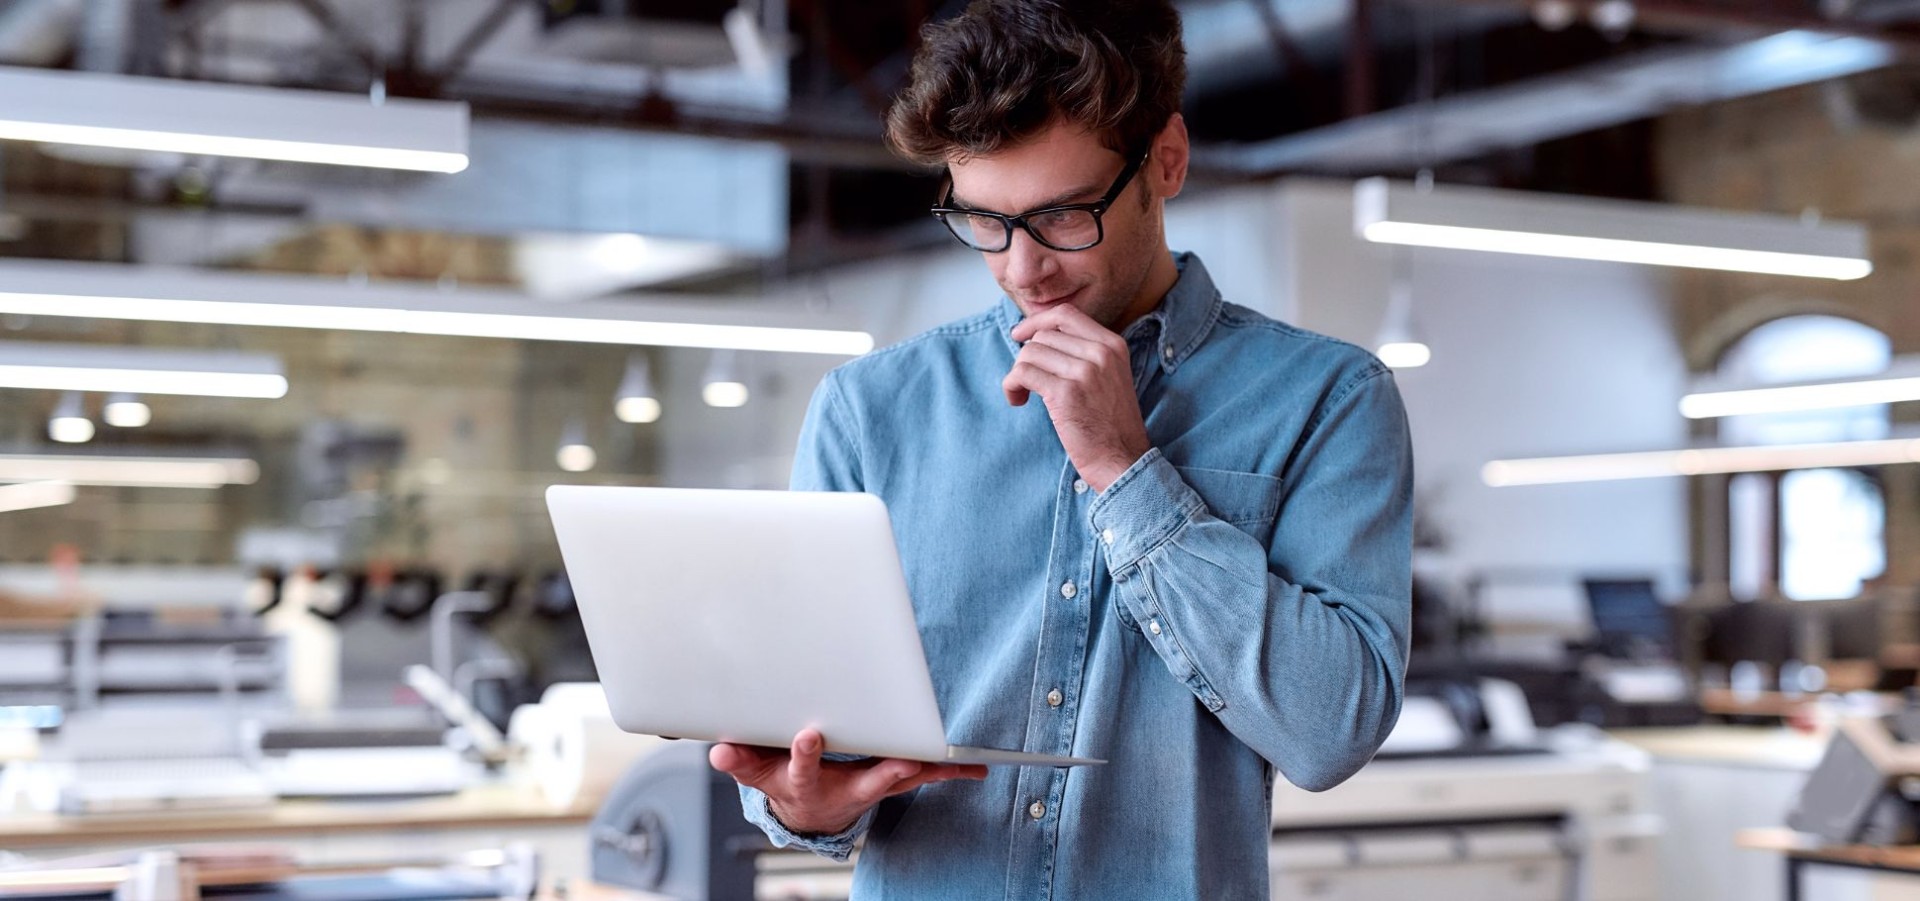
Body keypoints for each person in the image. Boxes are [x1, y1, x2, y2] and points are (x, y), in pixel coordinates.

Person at [709, 0, 1414, 896]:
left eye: (1063, 217)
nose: (1021, 268)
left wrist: (1127, 472)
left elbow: (1330, 731)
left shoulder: (1328, 400)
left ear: (1166, 158)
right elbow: (812, 743)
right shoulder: (869, 410)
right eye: (985, 222)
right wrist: (807, 802)